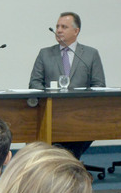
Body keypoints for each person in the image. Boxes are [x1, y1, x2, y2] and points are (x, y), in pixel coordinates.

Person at [29, 11, 106, 159]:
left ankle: (66, 160)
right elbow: (34, 83)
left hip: (81, 113)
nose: (58, 30)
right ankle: (67, 161)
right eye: (57, 26)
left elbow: (99, 85)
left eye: (64, 27)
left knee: (84, 130)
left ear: (76, 31)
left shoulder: (90, 54)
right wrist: (49, 92)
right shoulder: (45, 54)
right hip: (52, 112)